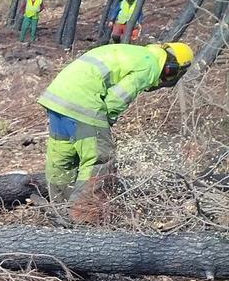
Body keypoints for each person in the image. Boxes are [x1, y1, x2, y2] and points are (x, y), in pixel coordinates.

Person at [37, 42, 193, 223]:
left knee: (62, 158)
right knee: (100, 158)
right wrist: (106, 123)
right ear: (172, 69)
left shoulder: (136, 53)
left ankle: (59, 207)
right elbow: (117, 98)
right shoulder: (151, 65)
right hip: (83, 101)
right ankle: (80, 215)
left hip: (57, 97)